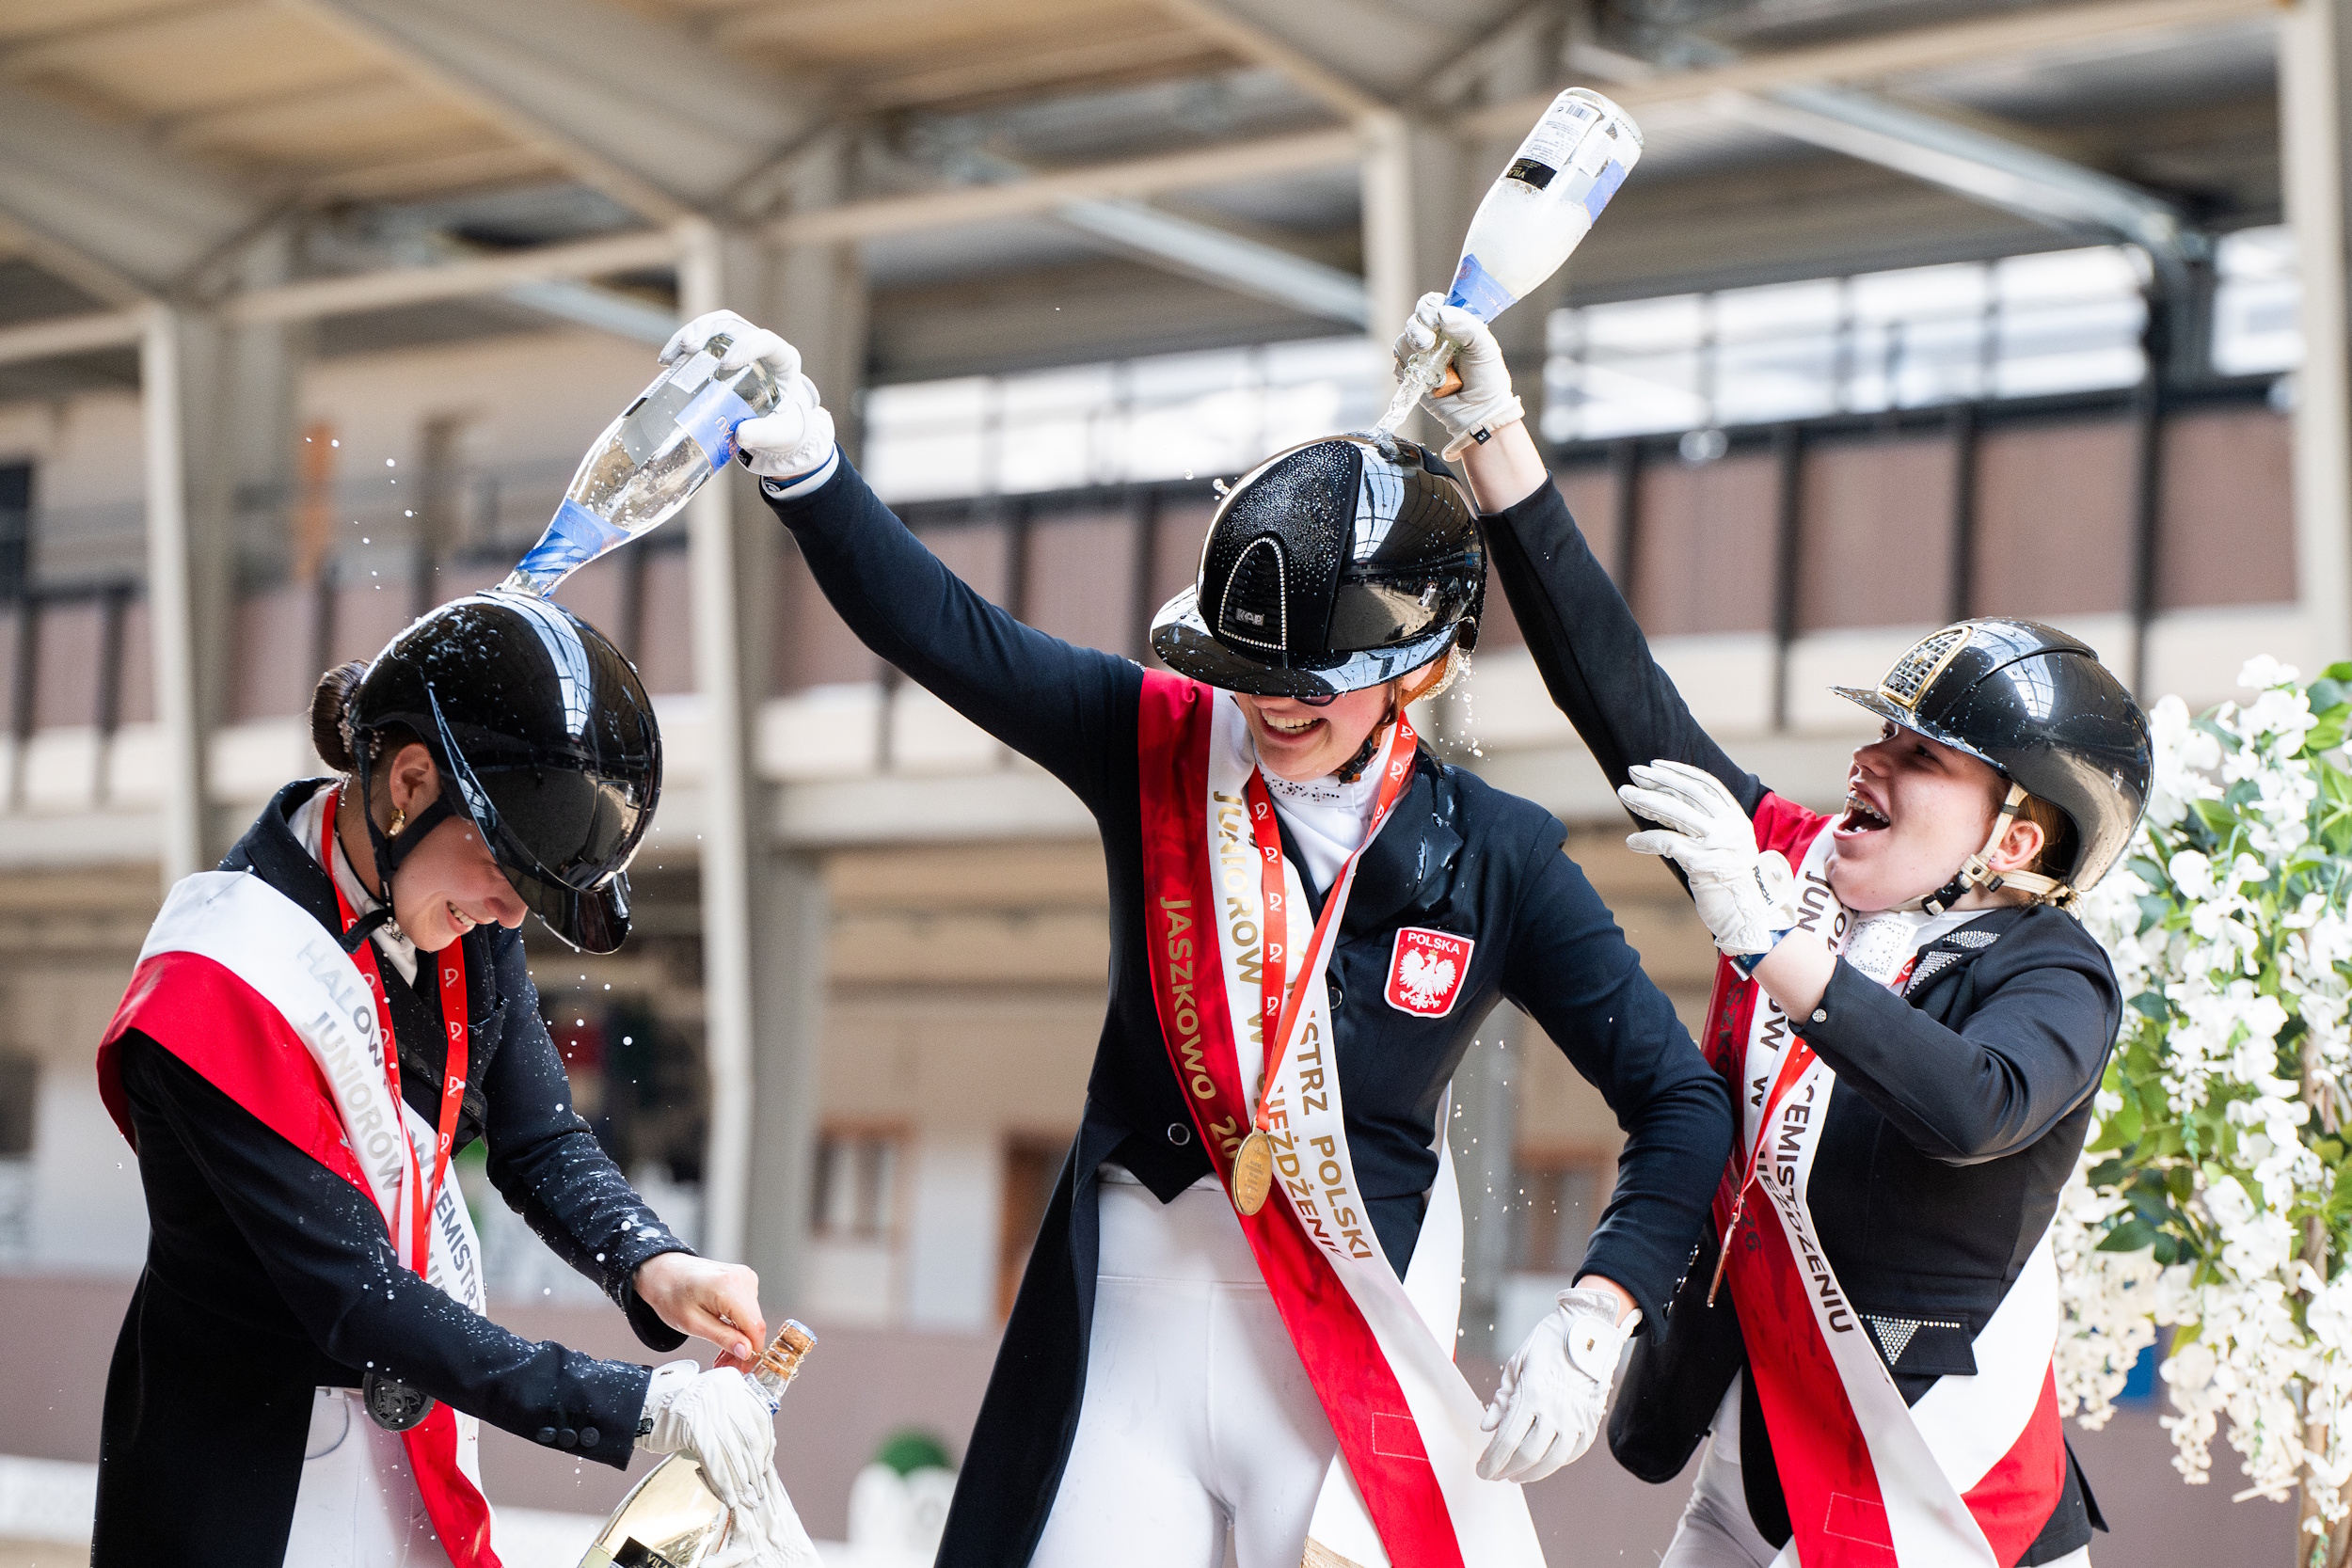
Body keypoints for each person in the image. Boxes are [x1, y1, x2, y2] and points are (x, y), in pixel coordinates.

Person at [662, 309, 1734, 1568]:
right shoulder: (1156, 741)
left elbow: (1679, 1099)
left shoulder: (1501, 854)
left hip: (1340, 1351)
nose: (1269, 703)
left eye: (1310, 683)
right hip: (1136, 1319)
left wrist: (1601, 1308)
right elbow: (948, 631)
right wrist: (807, 469)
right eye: (1245, 667)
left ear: (1420, 671)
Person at [1395, 294, 2152, 1568]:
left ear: (2017, 840)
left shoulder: (2056, 972)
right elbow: (1623, 697)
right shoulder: (1790, 863)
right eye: (1880, 734)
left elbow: (1973, 1104)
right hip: (1750, 1456)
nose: (1868, 762)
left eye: (1919, 757)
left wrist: (1773, 947)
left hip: (1945, 1495)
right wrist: (1493, 435)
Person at [93, 592, 816, 1568]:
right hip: (241, 1485)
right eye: (509, 873)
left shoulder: (452, 898)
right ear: (408, 781)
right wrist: (639, 1403)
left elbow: (538, 1138)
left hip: (409, 1456)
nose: (512, 915)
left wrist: (653, 1262)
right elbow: (357, 1297)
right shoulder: (212, 982)